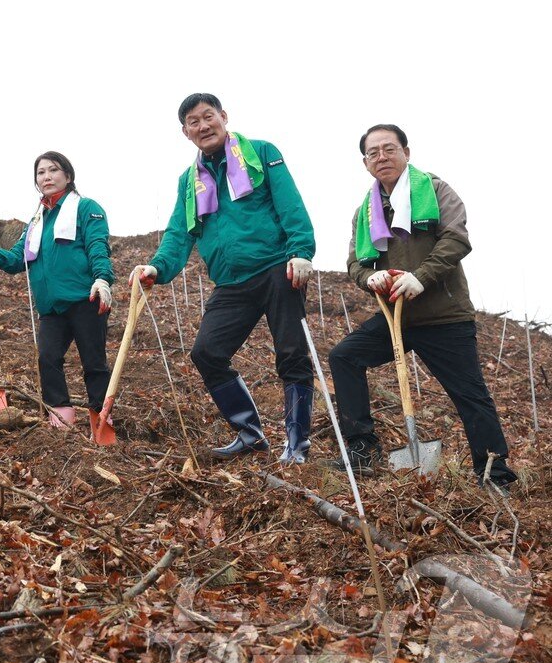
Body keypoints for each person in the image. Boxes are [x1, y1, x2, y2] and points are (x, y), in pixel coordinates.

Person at [326, 124, 518, 487]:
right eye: (373, 153)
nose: (381, 157)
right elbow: (355, 263)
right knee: (344, 357)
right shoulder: (366, 212)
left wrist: (421, 276)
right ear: (365, 163)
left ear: (406, 152)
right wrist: (369, 278)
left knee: (470, 394)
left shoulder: (435, 190)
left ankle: (496, 474)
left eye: (389, 149)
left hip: (444, 316)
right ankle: (362, 449)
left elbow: (456, 239)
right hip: (396, 317)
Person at [131, 93, 316, 461]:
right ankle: (250, 434)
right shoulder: (190, 180)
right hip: (231, 282)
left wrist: (301, 251)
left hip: (278, 268)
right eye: (193, 122)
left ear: (223, 116)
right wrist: (157, 267)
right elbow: (179, 233)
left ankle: (297, 444)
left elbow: (290, 203)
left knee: (292, 354)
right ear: (186, 133)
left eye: (207, 116)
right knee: (206, 352)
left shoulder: (261, 153)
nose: (203, 126)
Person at [0, 152, 113, 430]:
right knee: (48, 359)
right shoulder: (36, 220)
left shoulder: (85, 208)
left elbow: (98, 246)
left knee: (94, 362)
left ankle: (102, 421)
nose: (46, 176)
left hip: (86, 299)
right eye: (41, 172)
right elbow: (17, 258)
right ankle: (61, 420)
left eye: (53, 170)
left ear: (68, 176)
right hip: (51, 307)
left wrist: (102, 279)